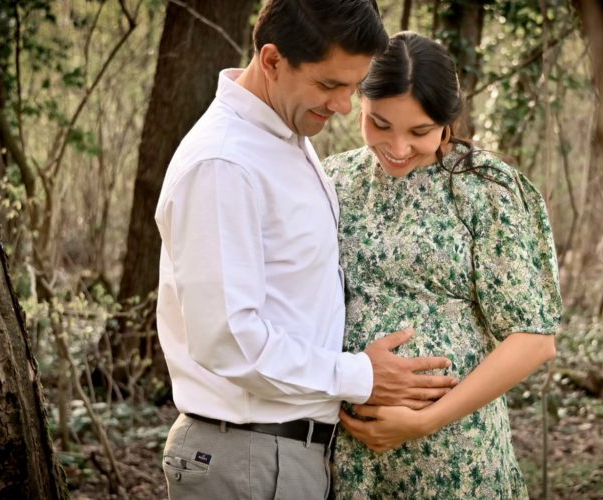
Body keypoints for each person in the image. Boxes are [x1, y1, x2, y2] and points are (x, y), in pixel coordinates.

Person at [153, 4, 458, 499]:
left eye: (351, 88)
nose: (341, 106)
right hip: (248, 458)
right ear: (272, 60)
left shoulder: (284, 136)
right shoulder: (224, 162)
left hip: (283, 456)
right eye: (328, 85)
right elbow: (230, 339)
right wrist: (360, 376)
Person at [323, 32, 563, 498]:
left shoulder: (485, 188)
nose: (396, 146)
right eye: (379, 123)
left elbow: (534, 340)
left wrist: (423, 422)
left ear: (448, 121)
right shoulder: (332, 180)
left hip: (457, 457)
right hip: (346, 460)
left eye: (419, 132)